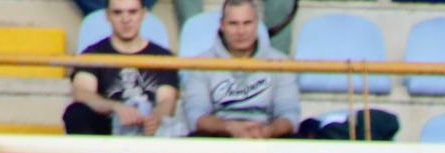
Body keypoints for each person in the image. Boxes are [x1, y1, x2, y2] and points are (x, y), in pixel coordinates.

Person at [181, 0, 299, 139]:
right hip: (219, 137)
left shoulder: (280, 62)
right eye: (233, 24)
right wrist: (230, 128)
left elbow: (289, 115)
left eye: (247, 23)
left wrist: (267, 131)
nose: (241, 31)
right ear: (222, 25)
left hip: (266, 135)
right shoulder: (202, 63)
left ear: (257, 24)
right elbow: (196, 116)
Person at [63, 0, 182, 137]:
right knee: (76, 113)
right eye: (118, 13)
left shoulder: (162, 57)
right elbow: (82, 93)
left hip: (149, 129)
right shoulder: (92, 54)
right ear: (107, 15)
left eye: (132, 12)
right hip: (107, 129)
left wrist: (154, 118)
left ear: (143, 14)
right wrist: (116, 108)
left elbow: (166, 100)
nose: (126, 19)